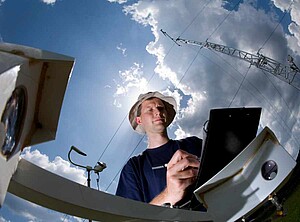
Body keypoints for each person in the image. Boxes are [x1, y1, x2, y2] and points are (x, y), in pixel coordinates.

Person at [116, 91, 202, 207]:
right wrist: (168, 195)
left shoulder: (193, 143)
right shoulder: (134, 167)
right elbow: (127, 216)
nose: (157, 112)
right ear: (139, 120)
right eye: (150, 109)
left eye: (161, 108)